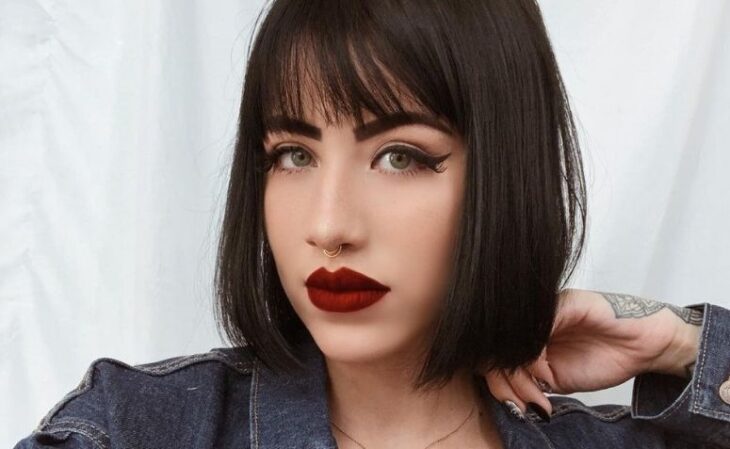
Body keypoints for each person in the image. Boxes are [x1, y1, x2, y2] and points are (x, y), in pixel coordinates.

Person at [14, 0, 730, 448]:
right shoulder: (135, 427)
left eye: (399, 157)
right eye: (293, 154)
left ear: (504, 176)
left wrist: (681, 342)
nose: (328, 225)